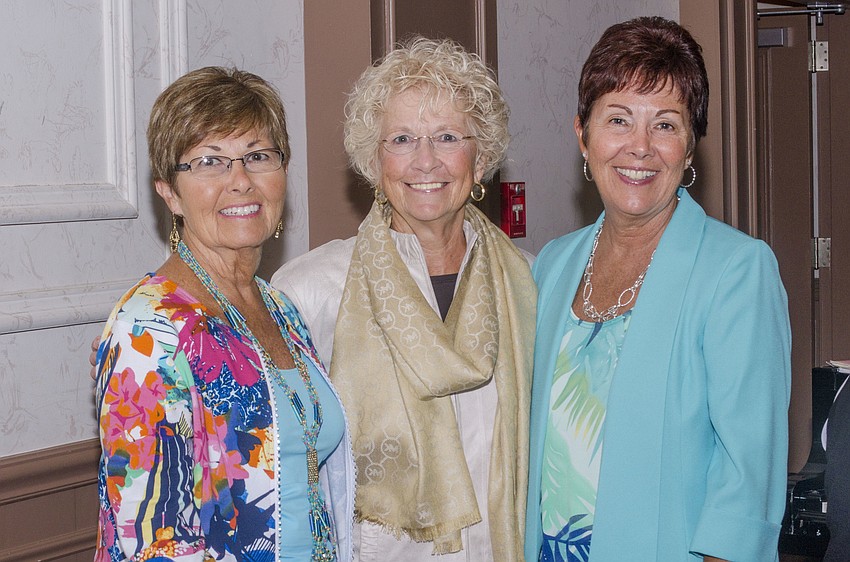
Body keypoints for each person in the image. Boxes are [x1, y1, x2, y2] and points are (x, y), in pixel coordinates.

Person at [524, 16, 791, 562]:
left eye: (666, 125)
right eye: (618, 119)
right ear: (583, 133)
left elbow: (747, 486)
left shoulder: (737, 272)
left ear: (690, 148)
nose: (639, 147)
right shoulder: (551, 266)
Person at [272, 37, 536, 560]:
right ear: (375, 161)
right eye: (401, 139)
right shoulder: (310, 292)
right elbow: (284, 473)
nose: (426, 161)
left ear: (480, 159)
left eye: (446, 137)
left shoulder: (528, 283)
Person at [93, 67, 354, 561]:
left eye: (258, 156)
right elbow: (150, 542)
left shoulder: (278, 307)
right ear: (168, 192)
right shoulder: (149, 328)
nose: (240, 181)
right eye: (210, 162)